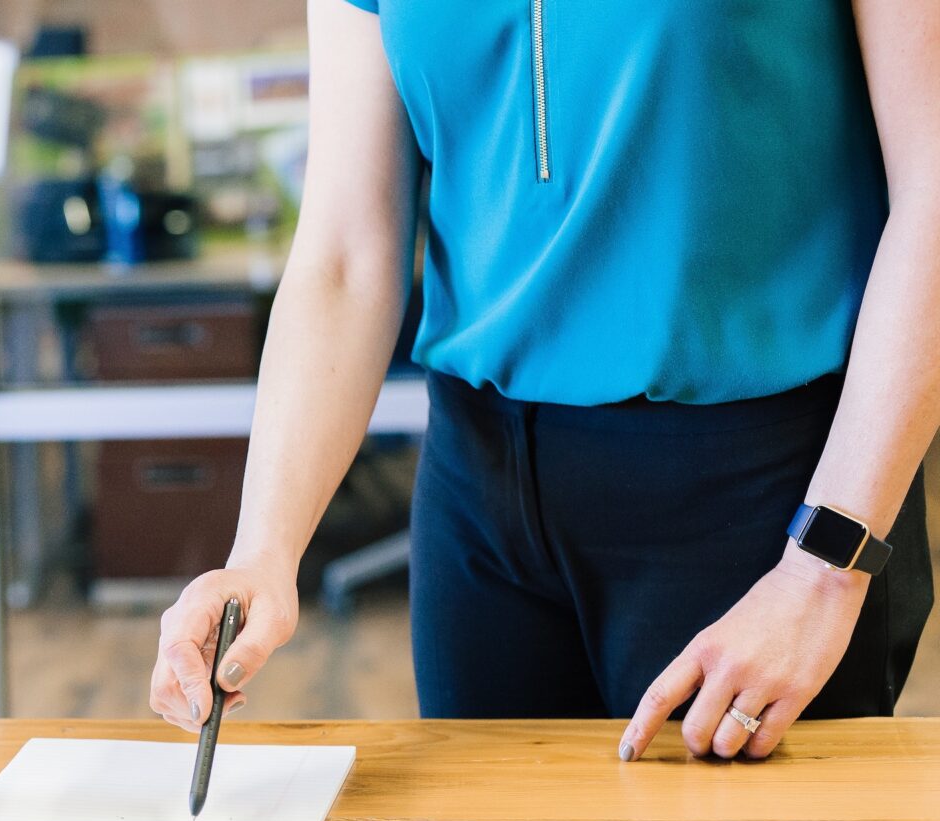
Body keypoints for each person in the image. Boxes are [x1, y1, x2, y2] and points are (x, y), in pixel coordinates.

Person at [151, 0, 939, 761]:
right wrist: (261, 552)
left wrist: (824, 569)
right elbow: (346, 250)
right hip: (479, 501)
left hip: (759, 500)